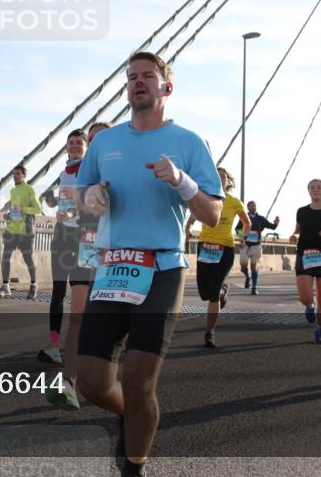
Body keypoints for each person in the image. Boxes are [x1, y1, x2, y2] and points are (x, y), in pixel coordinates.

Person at [75, 52, 223, 476]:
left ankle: (133, 466)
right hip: (113, 267)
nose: (138, 82)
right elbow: (81, 199)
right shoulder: (104, 143)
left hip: (162, 268)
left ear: (165, 88)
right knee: (91, 382)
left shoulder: (190, 143)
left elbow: (211, 213)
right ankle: (133, 415)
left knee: (139, 380)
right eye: (131, 78)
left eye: (147, 76)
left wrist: (181, 181)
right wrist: (92, 199)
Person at [38, 123, 110, 410]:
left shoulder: (109, 167)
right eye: (85, 139)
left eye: (85, 142)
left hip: (107, 243)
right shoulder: (73, 172)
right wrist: (66, 212)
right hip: (73, 238)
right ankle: (69, 381)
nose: (81, 145)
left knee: (106, 316)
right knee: (78, 313)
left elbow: (102, 202)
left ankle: (111, 377)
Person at [185, 167, 250, 347]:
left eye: (224, 177)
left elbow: (247, 222)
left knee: (212, 294)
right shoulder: (205, 198)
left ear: (229, 181)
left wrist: (243, 237)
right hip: (205, 247)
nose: (220, 179)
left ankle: (209, 332)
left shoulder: (235, 202)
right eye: (217, 176)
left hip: (225, 248)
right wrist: (188, 231)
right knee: (204, 293)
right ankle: (223, 290)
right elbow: (190, 221)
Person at [289, 179, 321, 345]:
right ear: (308, 191)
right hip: (304, 256)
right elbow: (297, 231)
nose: (316, 190)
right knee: (305, 297)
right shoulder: (302, 211)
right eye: (312, 187)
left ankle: (320, 330)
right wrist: (294, 236)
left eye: (319, 187)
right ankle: (309, 306)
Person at [0, 165, 42, 299]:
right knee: (5, 257)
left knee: (28, 259)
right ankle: (5, 287)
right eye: (14, 173)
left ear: (24, 175)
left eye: (18, 174)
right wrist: (9, 215)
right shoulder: (13, 191)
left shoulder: (29, 189)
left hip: (26, 230)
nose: (15, 176)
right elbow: (16, 210)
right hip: (12, 229)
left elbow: (38, 208)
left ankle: (33, 285)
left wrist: (23, 210)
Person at [241, 200, 279, 295]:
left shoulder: (261, 219)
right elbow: (237, 229)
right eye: (251, 206)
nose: (253, 207)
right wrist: (241, 237)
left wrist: (276, 223)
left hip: (256, 246)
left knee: (254, 267)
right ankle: (247, 276)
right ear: (248, 208)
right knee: (243, 267)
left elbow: (272, 227)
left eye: (255, 206)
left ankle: (254, 288)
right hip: (245, 245)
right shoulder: (243, 218)